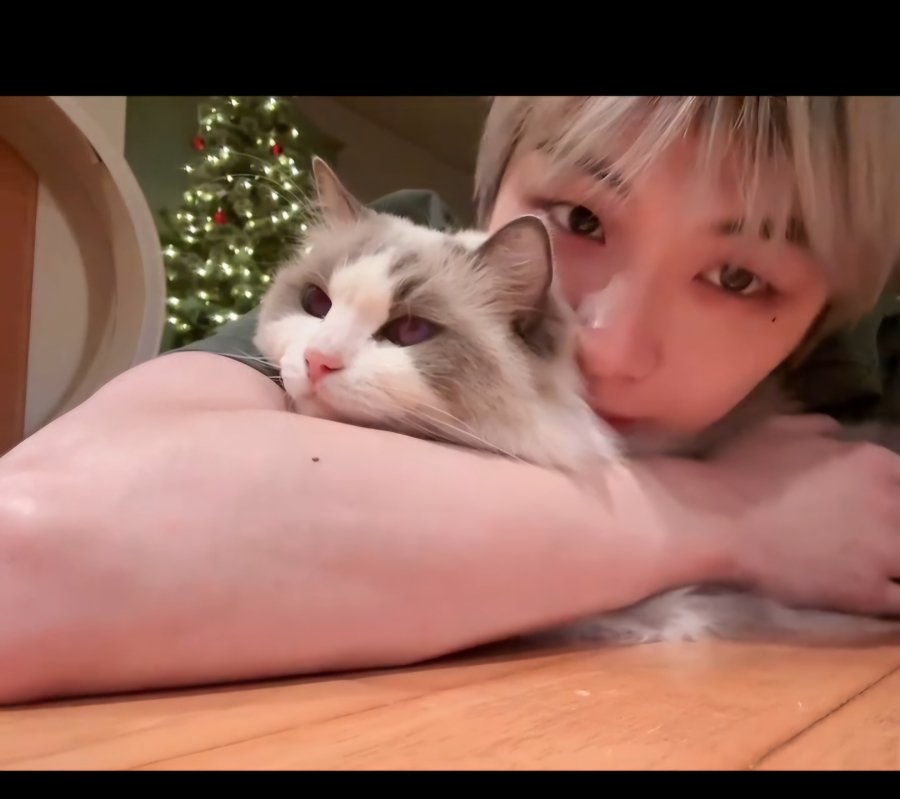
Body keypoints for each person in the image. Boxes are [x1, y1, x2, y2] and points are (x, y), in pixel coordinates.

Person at [1, 96, 899, 705]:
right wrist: (731, 516)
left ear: (822, 318)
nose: (610, 345)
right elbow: (31, 556)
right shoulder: (398, 256)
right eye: (581, 219)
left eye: (738, 277)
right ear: (492, 189)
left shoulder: (836, 391)